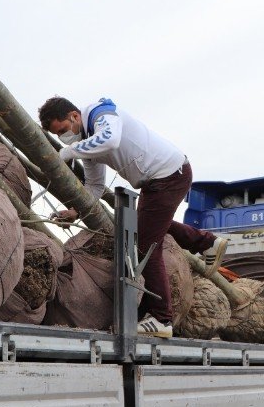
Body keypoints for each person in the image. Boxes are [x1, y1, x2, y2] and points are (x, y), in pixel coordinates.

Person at [38, 97, 228, 338]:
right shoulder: (88, 146)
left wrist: (67, 152)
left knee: (146, 247)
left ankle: (162, 319)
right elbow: (95, 186)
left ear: (75, 116)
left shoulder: (100, 114)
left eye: (63, 130)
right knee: (148, 224)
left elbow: (111, 138)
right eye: (58, 135)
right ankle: (207, 243)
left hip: (168, 175)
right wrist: (76, 211)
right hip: (158, 181)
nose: (63, 138)